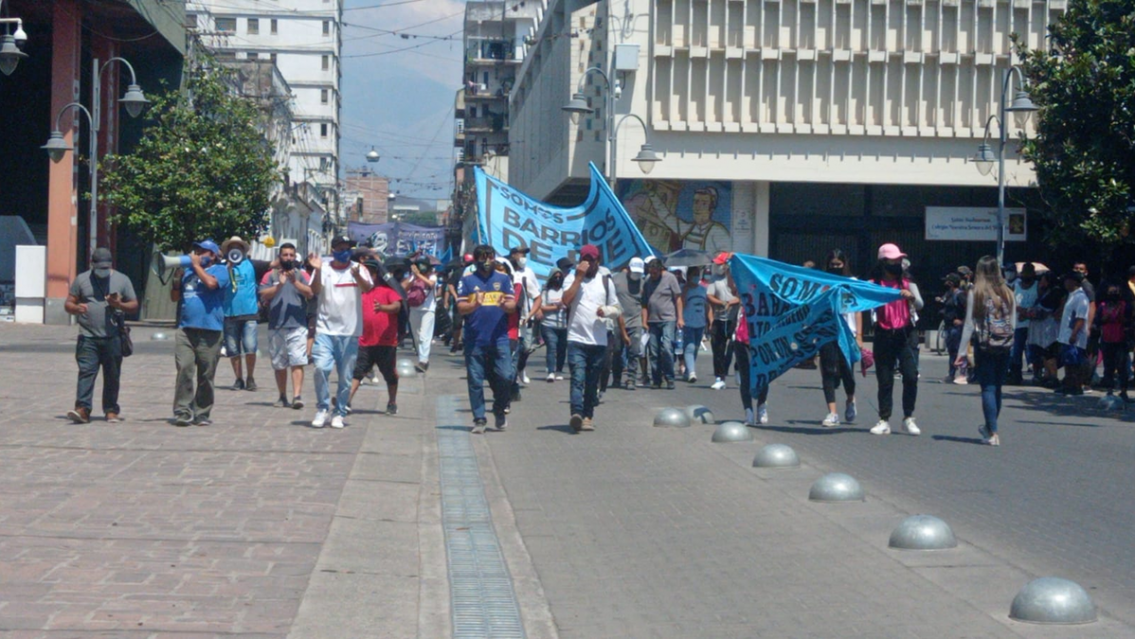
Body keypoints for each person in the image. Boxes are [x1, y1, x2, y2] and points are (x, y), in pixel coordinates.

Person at [64, 247, 139, 424]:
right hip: (88, 336)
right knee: (86, 372)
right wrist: (76, 308)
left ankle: (111, 410)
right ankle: (82, 409)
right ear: (92, 265)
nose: (103, 271)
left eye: (106, 268)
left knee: (112, 374)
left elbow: (134, 305)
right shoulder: (82, 280)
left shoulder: (122, 280)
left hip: (113, 336)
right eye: (100, 268)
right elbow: (69, 303)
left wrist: (119, 304)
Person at [309, 235, 374, 429]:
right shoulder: (324, 268)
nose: (344, 251)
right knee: (321, 368)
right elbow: (314, 290)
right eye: (341, 248)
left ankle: (339, 412)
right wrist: (317, 270)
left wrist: (357, 276)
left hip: (349, 331)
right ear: (333, 249)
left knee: (345, 376)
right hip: (325, 329)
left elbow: (368, 288)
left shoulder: (358, 269)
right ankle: (322, 408)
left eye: (348, 248)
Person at [956, 256, 1017, 447]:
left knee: (988, 388)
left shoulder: (977, 292)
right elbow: (1013, 322)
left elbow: (969, 324)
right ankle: (991, 427)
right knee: (997, 387)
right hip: (1005, 345)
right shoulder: (1008, 292)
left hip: (985, 346)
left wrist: (961, 352)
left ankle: (993, 432)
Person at [171, 240, 231, 427]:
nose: (198, 254)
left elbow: (211, 284)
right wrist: (176, 281)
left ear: (213, 255)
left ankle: (202, 412)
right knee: (184, 369)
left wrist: (196, 266)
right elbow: (175, 298)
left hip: (211, 330)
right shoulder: (189, 272)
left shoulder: (220, 271)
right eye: (196, 250)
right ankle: (182, 411)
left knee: (206, 374)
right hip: (186, 329)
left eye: (203, 251)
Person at [561, 244, 621, 432]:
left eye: (591, 260)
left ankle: (588, 416)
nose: (587, 264)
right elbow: (565, 300)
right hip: (576, 338)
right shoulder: (571, 278)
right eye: (584, 260)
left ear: (598, 262)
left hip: (599, 341)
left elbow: (617, 309)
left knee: (591, 381)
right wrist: (578, 277)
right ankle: (576, 413)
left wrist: (607, 311)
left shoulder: (605, 281)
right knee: (577, 377)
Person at [458, 245, 516, 433]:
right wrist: (474, 304)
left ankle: (499, 408)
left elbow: (512, 304)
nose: (487, 260)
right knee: (475, 380)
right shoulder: (467, 281)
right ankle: (479, 419)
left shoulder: (504, 279)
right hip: (475, 339)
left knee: (506, 375)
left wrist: (505, 305)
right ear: (475, 260)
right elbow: (461, 308)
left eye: (490, 257)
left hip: (499, 338)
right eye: (483, 257)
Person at [868, 243, 922, 436]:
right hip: (883, 334)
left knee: (910, 375)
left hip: (905, 334)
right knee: (885, 379)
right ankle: (884, 419)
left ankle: (908, 417)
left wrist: (911, 298)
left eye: (899, 260)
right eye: (893, 260)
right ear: (883, 262)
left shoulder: (907, 282)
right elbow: (861, 300)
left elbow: (920, 304)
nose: (897, 263)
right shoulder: (873, 284)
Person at [259, 242, 314, 409]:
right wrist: (281, 284)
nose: (288, 258)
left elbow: (310, 292)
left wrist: (294, 282)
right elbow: (263, 294)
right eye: (285, 255)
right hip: (276, 325)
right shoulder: (270, 275)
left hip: (297, 324)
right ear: (280, 257)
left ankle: (297, 395)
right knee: (279, 363)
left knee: (298, 361)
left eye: (291, 255)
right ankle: (282, 395)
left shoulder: (302, 274)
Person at [348, 259, 402, 414]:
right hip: (365, 341)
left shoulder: (388, 291)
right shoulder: (360, 292)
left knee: (389, 374)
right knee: (358, 372)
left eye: (369, 273)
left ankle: (392, 402)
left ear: (376, 275)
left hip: (386, 341)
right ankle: (347, 400)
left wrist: (383, 307)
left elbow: (396, 306)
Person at [819, 249, 862, 427]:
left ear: (845, 265)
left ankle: (850, 399)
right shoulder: (823, 282)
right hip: (827, 332)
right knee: (828, 371)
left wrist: (859, 335)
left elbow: (858, 309)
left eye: (838, 264)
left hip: (848, 333)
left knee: (847, 372)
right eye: (832, 264)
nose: (835, 267)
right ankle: (832, 412)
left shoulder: (852, 283)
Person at [219, 237, 260, 391]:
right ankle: (238, 378)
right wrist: (227, 268)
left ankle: (250, 377)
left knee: (250, 347)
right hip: (230, 313)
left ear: (243, 251)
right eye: (231, 248)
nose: (235, 251)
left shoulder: (252, 264)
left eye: (238, 248)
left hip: (249, 313)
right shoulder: (222, 267)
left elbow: (273, 264)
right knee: (233, 349)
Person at [643, 257, 683, 389]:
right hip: (653, 320)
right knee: (653, 351)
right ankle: (656, 379)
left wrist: (680, 318)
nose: (652, 275)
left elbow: (678, 299)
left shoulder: (670, 278)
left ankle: (669, 377)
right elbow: (644, 303)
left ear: (661, 270)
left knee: (666, 347)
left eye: (655, 273)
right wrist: (644, 321)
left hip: (668, 318)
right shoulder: (648, 280)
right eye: (651, 272)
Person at [611, 257, 647, 390]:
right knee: (617, 350)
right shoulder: (616, 280)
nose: (636, 275)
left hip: (635, 321)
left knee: (634, 351)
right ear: (629, 269)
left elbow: (645, 304)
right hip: (618, 321)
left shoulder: (643, 283)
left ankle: (631, 378)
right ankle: (616, 378)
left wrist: (644, 321)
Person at [508, 246, 541, 385]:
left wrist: (535, 311)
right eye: (520, 254)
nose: (523, 257)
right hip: (510, 318)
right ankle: (511, 378)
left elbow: (536, 294)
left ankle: (520, 368)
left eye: (524, 254)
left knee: (526, 348)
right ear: (513, 255)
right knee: (514, 348)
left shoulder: (528, 273)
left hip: (526, 317)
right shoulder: (508, 273)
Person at [706, 252, 739, 390]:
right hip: (719, 318)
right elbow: (709, 295)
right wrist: (721, 302)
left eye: (720, 264)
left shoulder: (737, 278)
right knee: (718, 349)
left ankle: (738, 370)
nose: (718, 266)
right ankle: (719, 377)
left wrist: (730, 302)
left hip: (734, 319)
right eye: (717, 264)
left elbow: (741, 296)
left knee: (736, 347)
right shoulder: (714, 279)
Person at [1027, 272, 1065, 388]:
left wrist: (1031, 312)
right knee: (1044, 353)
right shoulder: (1045, 293)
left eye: (1043, 281)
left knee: (1050, 353)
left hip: (1050, 328)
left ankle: (1053, 377)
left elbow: (1046, 311)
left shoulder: (1055, 292)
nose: (1041, 283)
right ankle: (1047, 376)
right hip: (1042, 329)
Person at [529, 268, 568, 382]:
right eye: (555, 277)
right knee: (551, 347)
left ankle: (559, 371)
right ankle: (551, 372)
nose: (557, 279)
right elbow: (540, 306)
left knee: (562, 349)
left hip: (563, 324)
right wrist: (555, 307)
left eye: (559, 277)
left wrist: (564, 306)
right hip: (548, 324)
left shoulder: (565, 291)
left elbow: (568, 304)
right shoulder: (545, 291)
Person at [1056, 271, 1091, 395]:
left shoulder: (1081, 297)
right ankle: (1068, 384)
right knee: (1068, 362)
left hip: (1074, 338)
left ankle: (1076, 386)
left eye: (1067, 280)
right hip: (1065, 336)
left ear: (1074, 282)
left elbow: (1080, 318)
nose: (1065, 283)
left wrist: (1074, 334)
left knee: (1074, 363)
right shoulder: (1071, 295)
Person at [1095, 281, 1130, 400]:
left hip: (1121, 339)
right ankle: (1109, 389)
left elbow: (1129, 321)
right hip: (1107, 338)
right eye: (1111, 292)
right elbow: (1097, 321)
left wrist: (1122, 319)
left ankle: (1123, 390)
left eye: (1115, 292)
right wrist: (1104, 319)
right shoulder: (1103, 306)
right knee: (1108, 366)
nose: (1113, 294)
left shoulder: (1125, 306)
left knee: (1122, 366)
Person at [406, 256, 438, 373]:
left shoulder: (432, 275)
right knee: (417, 335)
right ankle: (422, 357)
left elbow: (431, 284)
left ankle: (423, 361)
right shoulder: (412, 276)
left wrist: (419, 275)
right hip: (414, 308)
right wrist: (414, 277)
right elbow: (405, 288)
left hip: (428, 309)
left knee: (425, 335)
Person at [1009, 263, 1039, 384]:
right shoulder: (1015, 286)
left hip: (1033, 324)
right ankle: (1016, 375)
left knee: (1034, 350)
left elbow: (1040, 301)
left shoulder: (1037, 286)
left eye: (1029, 272)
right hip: (1019, 324)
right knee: (1017, 350)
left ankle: (1037, 374)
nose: (1026, 274)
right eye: (1024, 272)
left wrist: (1028, 312)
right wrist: (1020, 310)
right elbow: (1011, 302)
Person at [681, 266, 710, 383]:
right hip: (687, 322)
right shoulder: (683, 289)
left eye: (698, 274)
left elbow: (707, 306)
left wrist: (710, 320)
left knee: (696, 348)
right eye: (694, 274)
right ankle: (692, 372)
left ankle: (688, 371)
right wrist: (685, 290)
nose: (696, 277)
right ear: (688, 276)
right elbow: (680, 304)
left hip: (700, 322)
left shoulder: (703, 289)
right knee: (689, 347)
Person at [939, 273, 966, 383]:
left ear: (951, 283)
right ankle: (951, 374)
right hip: (949, 326)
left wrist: (962, 321)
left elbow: (968, 310)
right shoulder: (949, 294)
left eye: (947, 281)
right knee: (952, 351)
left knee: (959, 350)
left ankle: (963, 374)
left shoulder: (959, 295)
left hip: (957, 328)